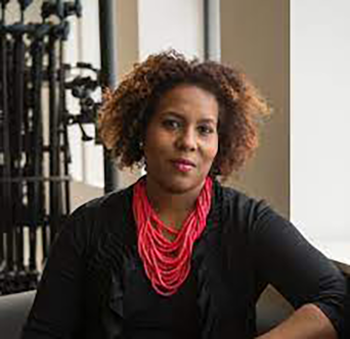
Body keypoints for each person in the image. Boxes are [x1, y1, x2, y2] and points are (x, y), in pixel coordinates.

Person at [22, 50, 346, 339]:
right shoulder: (88, 225)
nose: (188, 142)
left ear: (220, 142)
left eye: (204, 129)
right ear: (141, 131)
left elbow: (336, 298)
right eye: (172, 123)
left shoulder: (247, 221)